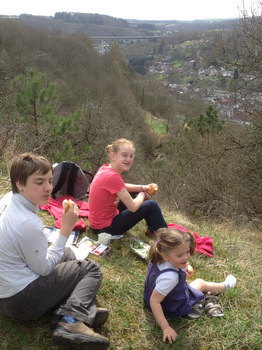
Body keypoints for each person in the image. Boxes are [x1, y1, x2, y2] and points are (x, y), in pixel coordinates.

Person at [0, 153, 109, 350]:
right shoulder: (26, 223)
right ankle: (71, 320)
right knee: (90, 269)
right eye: (39, 182)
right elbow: (44, 269)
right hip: (20, 301)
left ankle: (78, 307)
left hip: (9, 289)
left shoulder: (9, 198)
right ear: (20, 183)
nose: (49, 188)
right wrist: (65, 230)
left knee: (67, 254)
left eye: (50, 180)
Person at [143, 227, 236, 344]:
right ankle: (225, 286)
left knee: (194, 282)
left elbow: (161, 279)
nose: (186, 257)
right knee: (200, 283)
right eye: (180, 255)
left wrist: (183, 268)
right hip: (172, 305)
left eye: (187, 252)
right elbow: (155, 302)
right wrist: (165, 327)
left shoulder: (157, 258)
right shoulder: (170, 277)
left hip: (150, 296)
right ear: (165, 255)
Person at [88, 138, 167, 235]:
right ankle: (170, 239)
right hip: (106, 228)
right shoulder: (113, 176)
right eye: (124, 155)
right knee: (152, 205)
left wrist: (143, 187)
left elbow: (122, 186)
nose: (129, 159)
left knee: (134, 195)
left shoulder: (105, 169)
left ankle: (151, 228)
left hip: (97, 223)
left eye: (131, 156)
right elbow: (133, 207)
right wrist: (142, 194)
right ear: (113, 156)